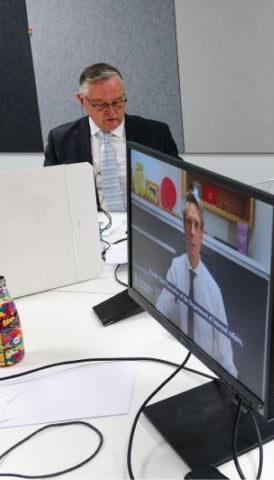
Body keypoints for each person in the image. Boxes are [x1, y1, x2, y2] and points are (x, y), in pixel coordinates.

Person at [44, 63, 179, 212]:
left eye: (118, 102)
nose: (112, 112)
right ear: (82, 100)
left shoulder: (156, 134)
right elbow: (52, 194)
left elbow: (178, 187)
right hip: (89, 224)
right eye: (101, 105)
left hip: (142, 224)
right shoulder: (60, 140)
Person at [155, 191, 237, 377]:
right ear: (183, 227)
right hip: (181, 357)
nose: (192, 231)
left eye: (197, 225)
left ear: (202, 233)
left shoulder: (213, 291)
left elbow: (226, 356)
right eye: (188, 223)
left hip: (204, 371)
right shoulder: (177, 266)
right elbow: (161, 309)